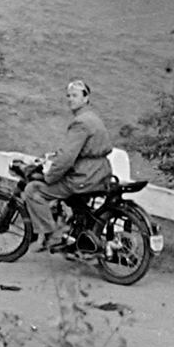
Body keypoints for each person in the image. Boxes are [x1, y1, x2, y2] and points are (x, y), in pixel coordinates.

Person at [24, 79, 113, 252]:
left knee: (34, 190)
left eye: (75, 95)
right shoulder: (93, 118)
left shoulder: (81, 122)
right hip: (100, 173)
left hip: (84, 177)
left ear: (86, 98)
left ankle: (54, 236)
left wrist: (50, 176)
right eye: (69, 96)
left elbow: (67, 158)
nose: (70, 99)